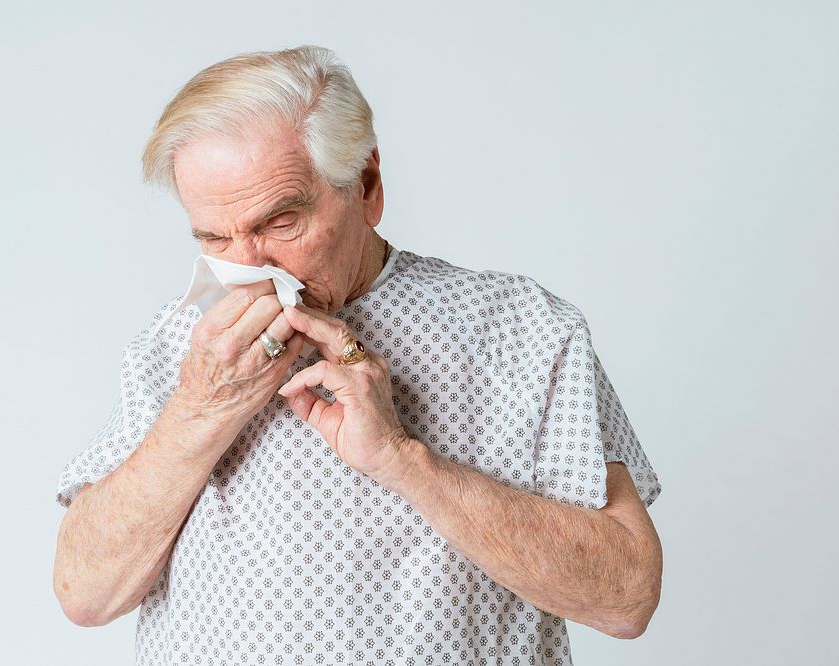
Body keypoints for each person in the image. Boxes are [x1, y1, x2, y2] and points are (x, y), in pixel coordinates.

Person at [52, 45, 663, 665]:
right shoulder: (181, 345)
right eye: (213, 237)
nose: (246, 268)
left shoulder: (523, 329)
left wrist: (403, 460)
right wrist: (200, 410)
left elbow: (626, 597)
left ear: (366, 186)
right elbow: (85, 595)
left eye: (280, 222)